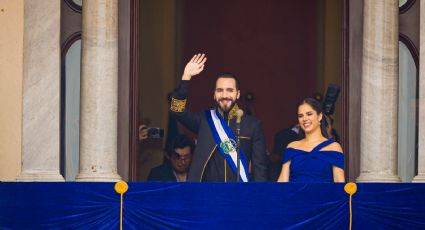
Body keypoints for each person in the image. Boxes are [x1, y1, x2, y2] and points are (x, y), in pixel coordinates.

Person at [169, 53, 268, 182]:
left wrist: (259, 198)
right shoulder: (204, 120)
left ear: (238, 94)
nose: (224, 95)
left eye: (229, 90)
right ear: (214, 95)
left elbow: (260, 169)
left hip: (239, 196)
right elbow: (177, 111)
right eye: (220, 90)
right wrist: (186, 77)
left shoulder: (253, 125)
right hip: (207, 195)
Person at [277, 98, 345, 182]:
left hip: (323, 195)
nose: (304, 119)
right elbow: (282, 181)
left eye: (309, 114)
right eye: (300, 116)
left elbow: (339, 183)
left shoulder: (334, 147)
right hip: (295, 195)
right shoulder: (291, 147)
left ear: (319, 116)